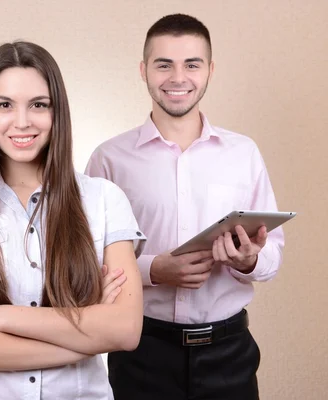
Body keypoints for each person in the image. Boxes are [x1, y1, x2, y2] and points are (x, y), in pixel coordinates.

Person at [0, 41, 145, 400]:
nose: (23, 121)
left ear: (57, 112)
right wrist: (83, 338)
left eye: (38, 105)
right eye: (5, 105)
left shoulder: (104, 200)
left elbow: (125, 329)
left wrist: (2, 318)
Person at [86, 13, 285, 400]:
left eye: (191, 64)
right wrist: (153, 270)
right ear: (144, 70)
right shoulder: (108, 160)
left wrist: (249, 261)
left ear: (209, 70)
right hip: (140, 351)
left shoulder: (244, 153)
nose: (178, 78)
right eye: (164, 64)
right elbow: (83, 262)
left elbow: (273, 254)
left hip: (230, 354)